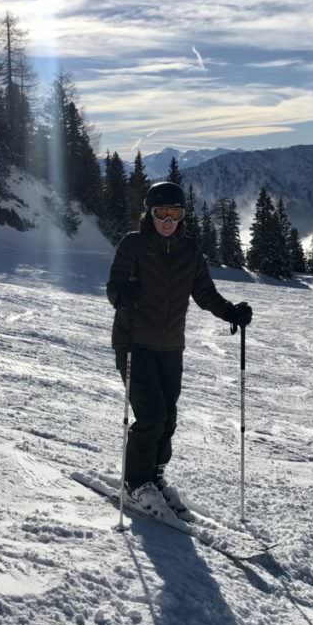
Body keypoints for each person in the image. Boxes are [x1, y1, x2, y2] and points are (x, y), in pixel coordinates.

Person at [107, 181, 253, 519]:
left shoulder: (190, 250)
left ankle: (154, 476)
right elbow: (114, 285)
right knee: (151, 415)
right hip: (133, 341)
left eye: (175, 213)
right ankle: (134, 483)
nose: (168, 221)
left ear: (183, 216)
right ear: (150, 213)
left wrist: (231, 311)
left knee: (168, 417)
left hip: (170, 345)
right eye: (162, 214)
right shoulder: (134, 244)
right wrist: (121, 296)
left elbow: (204, 292)